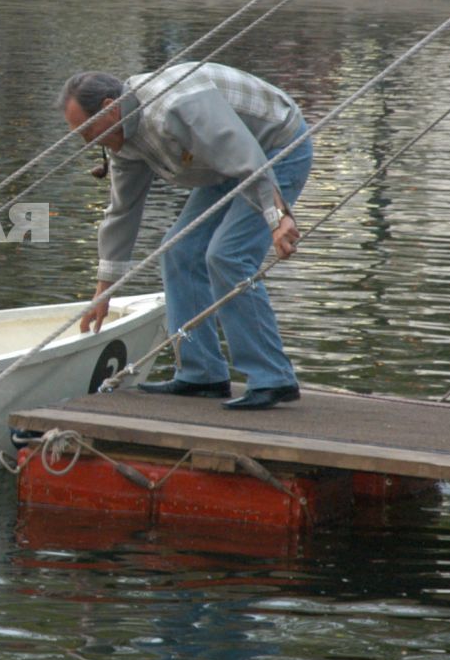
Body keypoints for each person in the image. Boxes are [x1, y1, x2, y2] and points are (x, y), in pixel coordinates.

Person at [61, 64, 310, 412]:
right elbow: (122, 212)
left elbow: (241, 153)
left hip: (274, 148)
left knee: (226, 256)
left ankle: (273, 378)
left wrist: (277, 218)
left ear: (108, 107)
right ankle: (202, 373)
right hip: (222, 166)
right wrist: (105, 289)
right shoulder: (124, 141)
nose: (89, 143)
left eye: (88, 132)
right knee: (179, 252)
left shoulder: (175, 106)